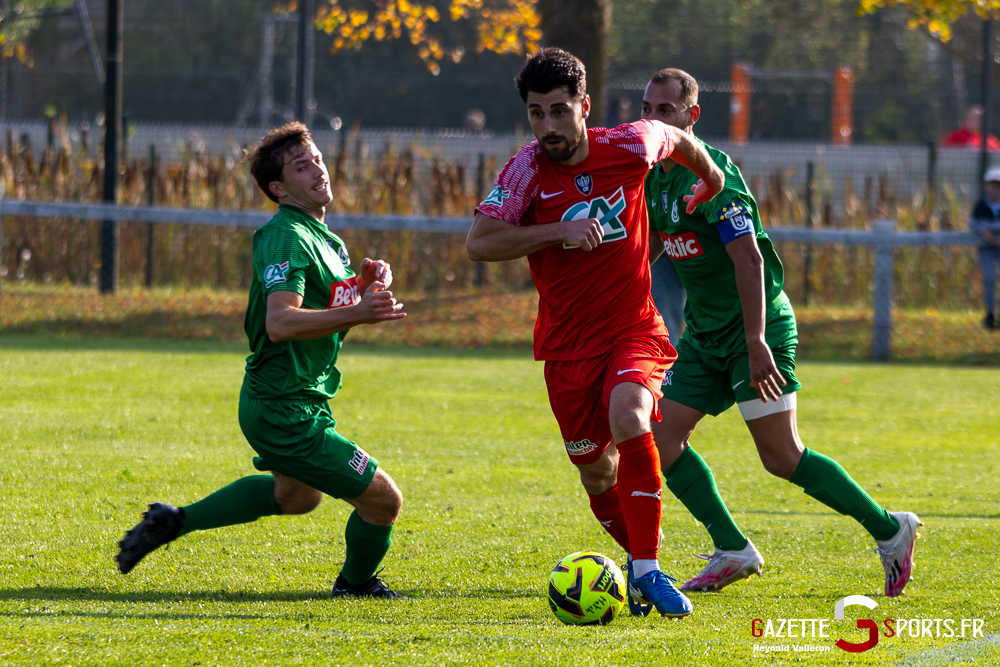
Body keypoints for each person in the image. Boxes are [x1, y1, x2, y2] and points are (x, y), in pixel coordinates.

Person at [640, 68, 922, 597]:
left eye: (666, 111)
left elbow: (749, 262)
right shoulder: (654, 177)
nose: (653, 120)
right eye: (647, 109)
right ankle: (733, 549)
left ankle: (891, 529)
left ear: (691, 116)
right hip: (703, 338)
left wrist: (756, 342)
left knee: (781, 457)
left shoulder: (713, 175)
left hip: (757, 328)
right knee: (660, 436)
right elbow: (659, 243)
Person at [466, 48, 725, 618]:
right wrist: (558, 230)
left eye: (560, 111)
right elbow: (480, 241)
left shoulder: (628, 145)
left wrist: (709, 180)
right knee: (594, 470)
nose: (549, 126)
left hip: (634, 328)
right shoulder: (526, 169)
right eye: (537, 114)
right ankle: (638, 567)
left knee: (630, 416)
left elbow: (677, 140)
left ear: (585, 106)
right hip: (565, 348)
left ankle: (650, 571)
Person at [115, 122, 410, 599]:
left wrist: (362, 285)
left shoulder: (325, 239)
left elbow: (325, 316)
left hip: (294, 399)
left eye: (315, 158)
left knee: (295, 497)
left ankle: (172, 522)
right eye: (301, 166)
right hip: (283, 407)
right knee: (383, 501)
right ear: (278, 188)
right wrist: (358, 309)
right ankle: (355, 585)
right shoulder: (286, 237)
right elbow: (281, 322)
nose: (317, 169)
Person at [969, 167, 1000, 330]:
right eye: (992, 185)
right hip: (986, 250)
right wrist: (983, 232)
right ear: (985, 187)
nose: (996, 189)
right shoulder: (980, 206)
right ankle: (989, 314)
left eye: (999, 185)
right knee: (988, 279)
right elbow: (973, 223)